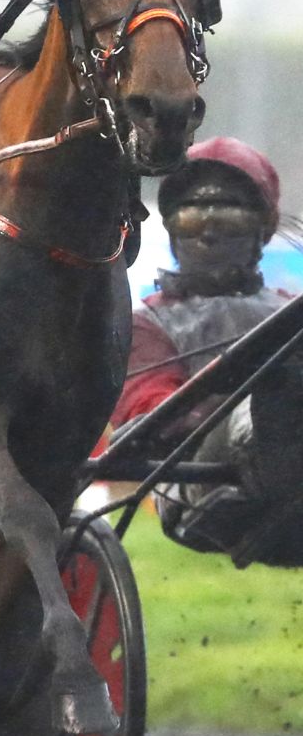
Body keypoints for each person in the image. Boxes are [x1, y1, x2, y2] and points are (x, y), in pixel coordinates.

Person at [109, 136, 302, 563]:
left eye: (228, 220)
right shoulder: (145, 325)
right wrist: (242, 387)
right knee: (282, 383)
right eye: (193, 219)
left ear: (262, 230)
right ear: (173, 231)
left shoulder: (289, 311)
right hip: (194, 488)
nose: (210, 233)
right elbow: (148, 414)